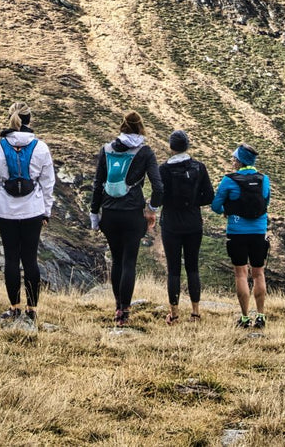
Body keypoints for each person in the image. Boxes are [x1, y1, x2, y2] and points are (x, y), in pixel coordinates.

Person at [0, 101, 56, 325]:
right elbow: (47, 183)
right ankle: (32, 308)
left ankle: (14, 307)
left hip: (6, 210)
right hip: (33, 210)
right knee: (30, 259)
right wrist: (46, 211)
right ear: (29, 120)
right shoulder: (41, 148)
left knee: (11, 259)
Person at [89, 110, 163, 325]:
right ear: (141, 129)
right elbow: (158, 187)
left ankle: (117, 307)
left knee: (117, 261)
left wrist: (95, 213)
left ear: (122, 127)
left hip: (109, 213)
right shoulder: (145, 152)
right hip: (133, 214)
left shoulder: (107, 149)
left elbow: (97, 184)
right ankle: (125, 312)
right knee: (129, 261)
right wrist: (151, 209)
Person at [211, 142, 271, 329]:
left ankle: (245, 318)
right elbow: (266, 202)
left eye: (234, 158)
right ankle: (261, 316)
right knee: (259, 273)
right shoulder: (264, 179)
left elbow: (215, 205)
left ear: (239, 161)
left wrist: (227, 209)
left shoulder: (229, 180)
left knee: (241, 275)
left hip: (237, 232)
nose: (232, 160)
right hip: (258, 231)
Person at [158, 129, 214, 325]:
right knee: (193, 267)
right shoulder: (199, 167)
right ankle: (196, 313)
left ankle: (173, 314)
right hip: (193, 223)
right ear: (187, 146)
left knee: (173, 269)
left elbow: (159, 197)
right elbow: (209, 196)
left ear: (171, 147)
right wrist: (193, 202)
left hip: (171, 224)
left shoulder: (163, 169)